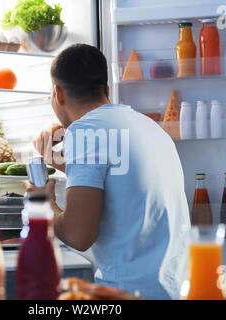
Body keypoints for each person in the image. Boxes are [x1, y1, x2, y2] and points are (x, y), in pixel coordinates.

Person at [24, 43, 191, 300]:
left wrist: (44, 203)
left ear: (58, 94)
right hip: (179, 289)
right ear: (107, 89)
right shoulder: (152, 127)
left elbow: (78, 235)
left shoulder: (85, 132)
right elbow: (123, 186)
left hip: (128, 294)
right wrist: (69, 167)